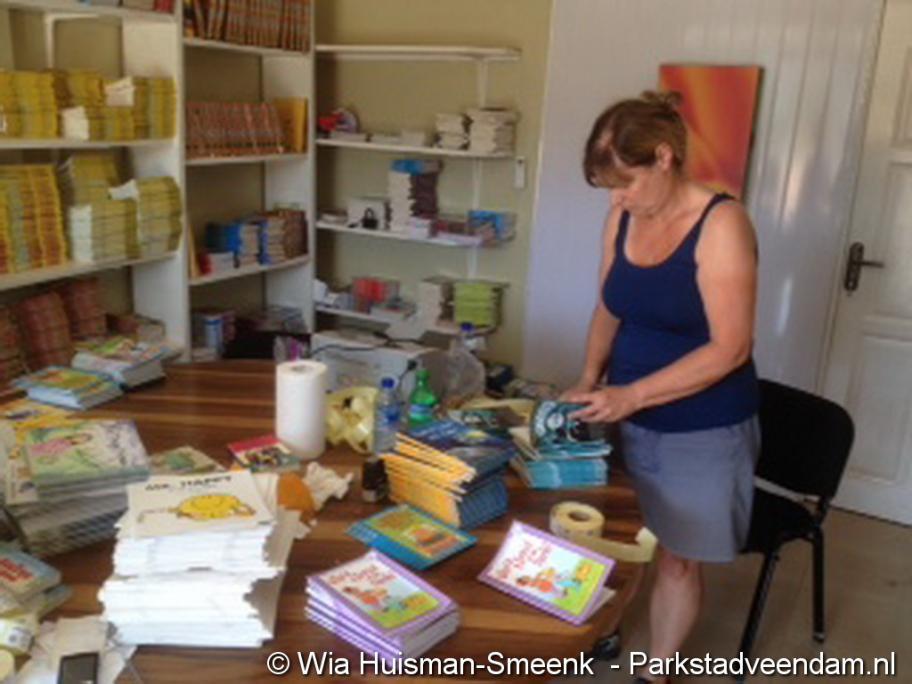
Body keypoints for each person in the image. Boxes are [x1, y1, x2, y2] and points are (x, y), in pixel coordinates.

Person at [564, 91, 760, 684]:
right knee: (617, 536)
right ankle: (606, 628)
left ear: (665, 158)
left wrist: (632, 395)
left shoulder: (721, 225)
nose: (616, 199)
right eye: (608, 188)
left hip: (701, 426)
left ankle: (657, 672)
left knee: (676, 558)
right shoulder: (623, 217)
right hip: (624, 413)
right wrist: (589, 379)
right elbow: (609, 307)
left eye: (624, 183)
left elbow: (730, 348)